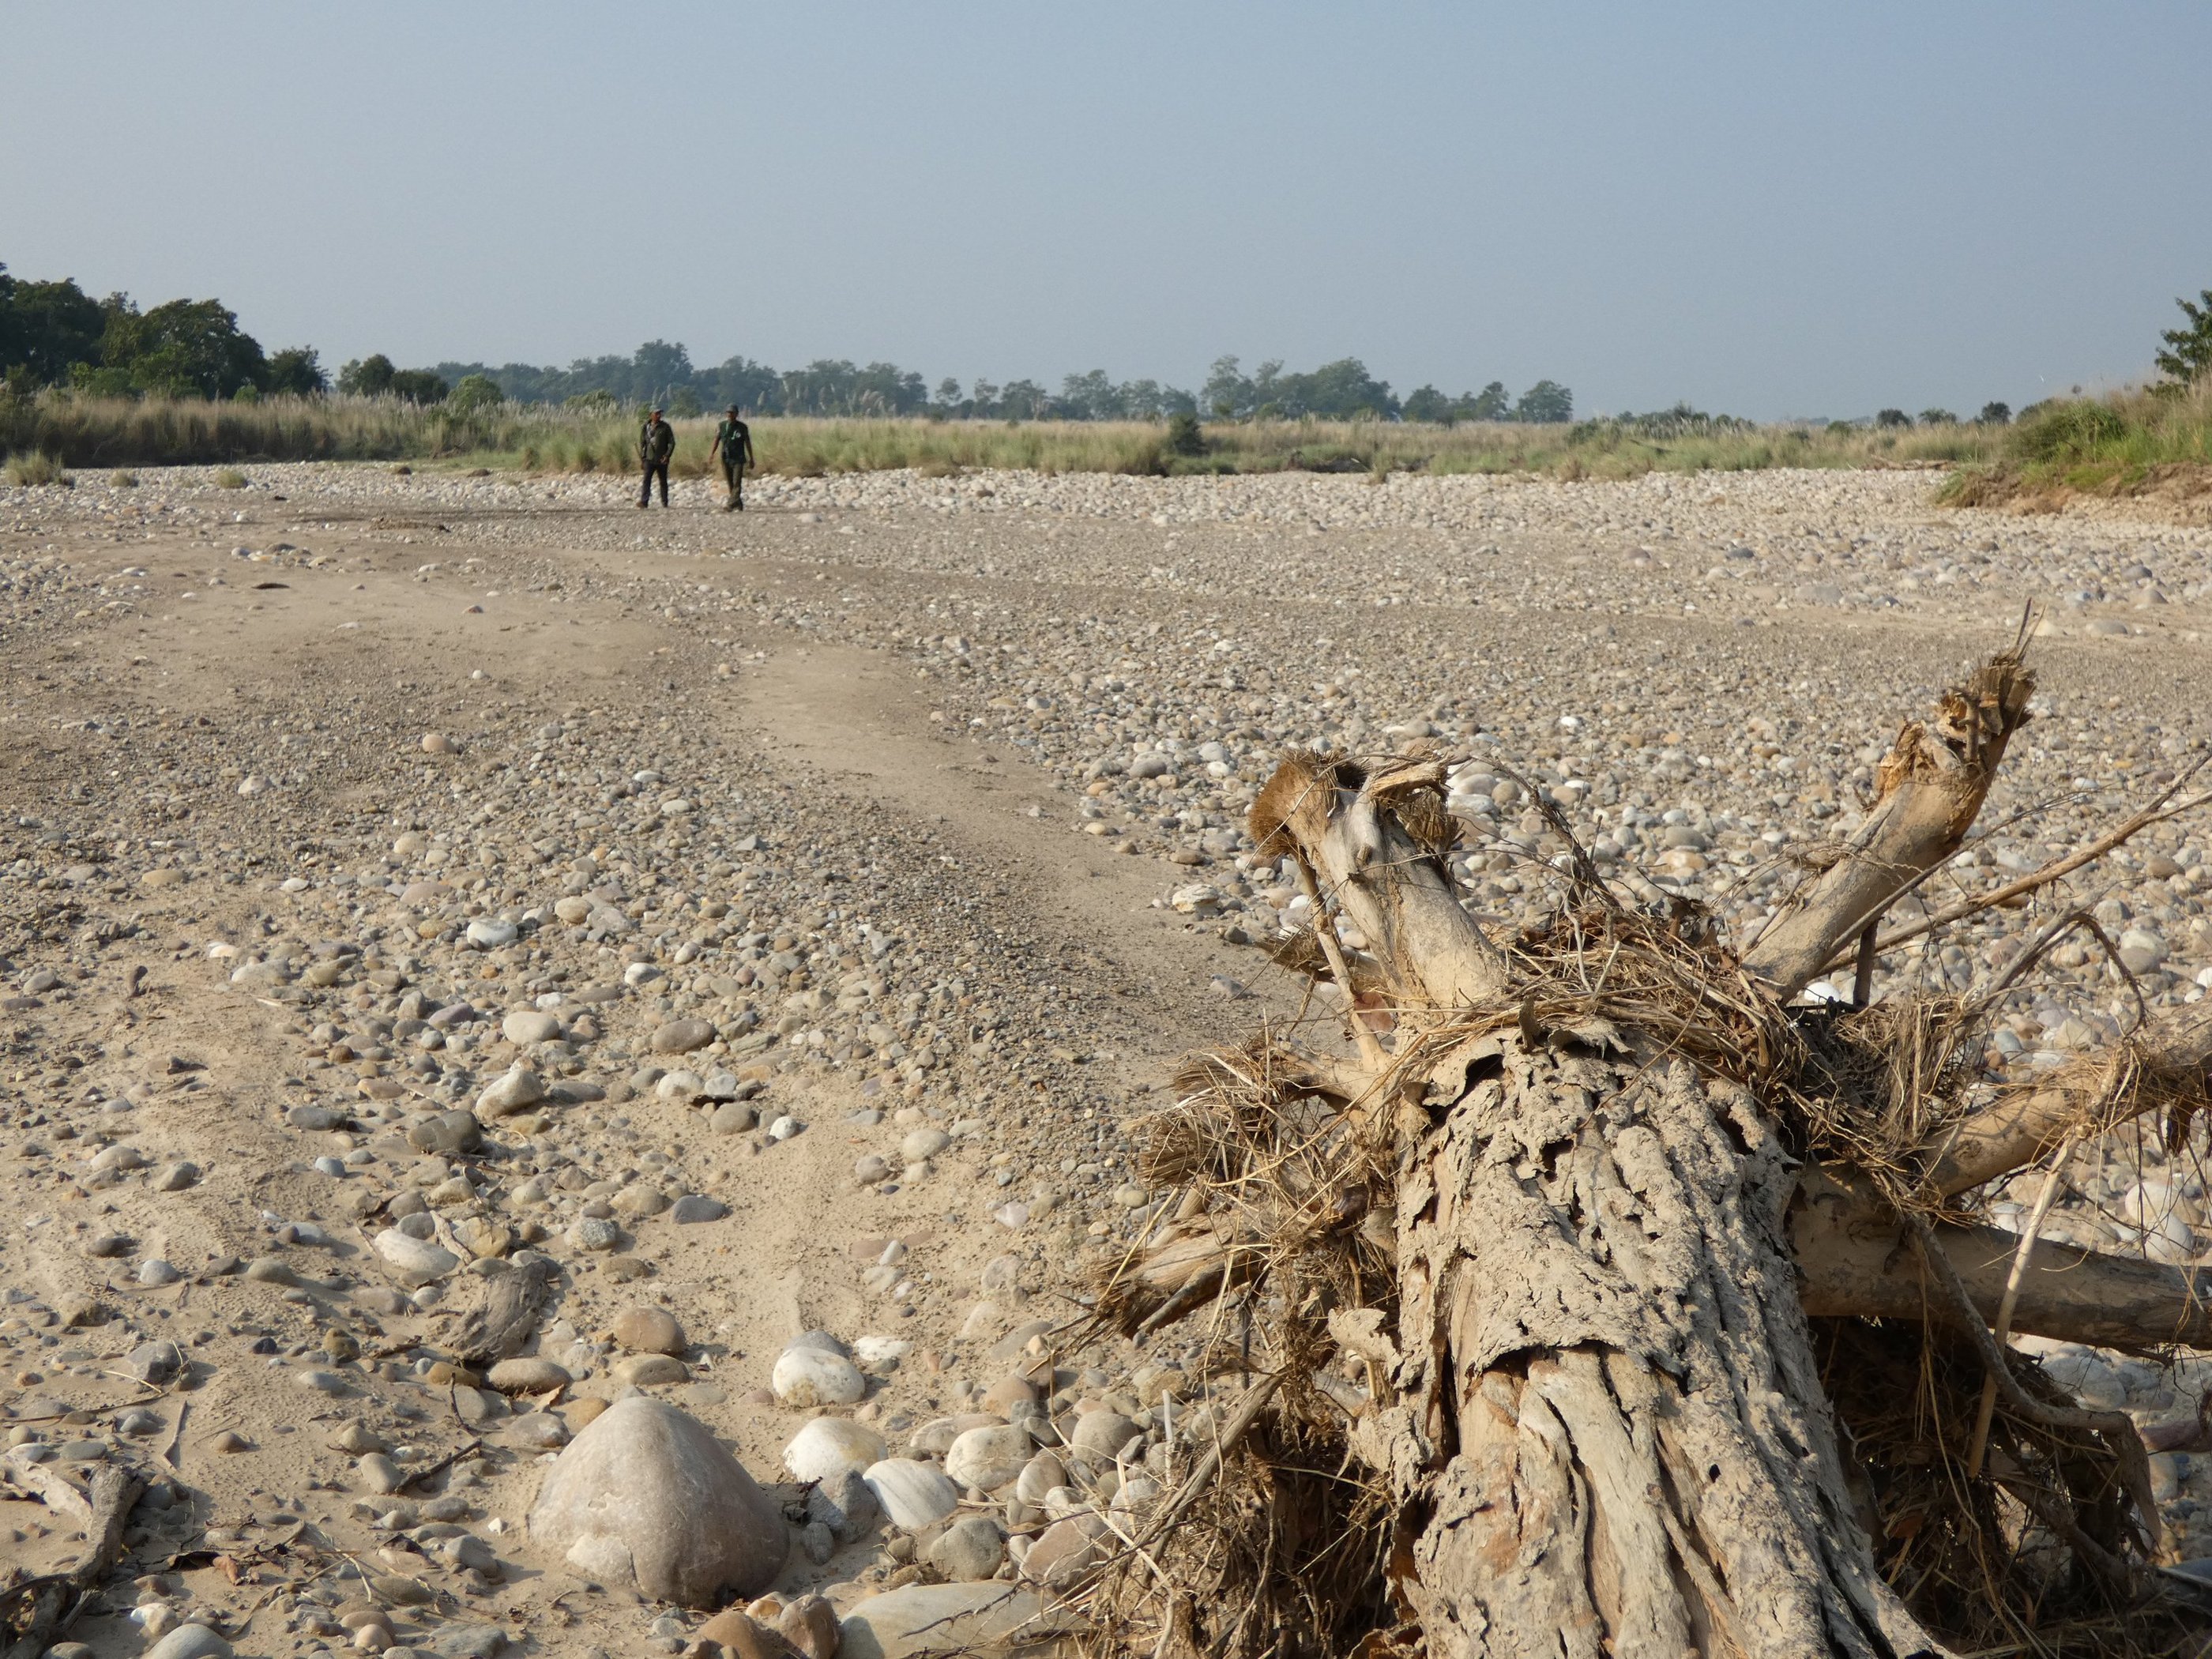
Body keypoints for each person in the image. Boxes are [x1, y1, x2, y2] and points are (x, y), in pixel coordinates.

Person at [709, 404, 755, 511]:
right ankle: (738, 504)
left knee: (737, 482)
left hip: (738, 458)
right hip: (726, 457)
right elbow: (716, 440)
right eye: (728, 413)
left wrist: (751, 458)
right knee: (730, 482)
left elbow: (747, 442)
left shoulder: (742, 427)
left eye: (732, 413)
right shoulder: (721, 426)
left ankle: (730, 505)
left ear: (736, 414)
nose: (730, 415)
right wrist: (712, 454)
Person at [637, 406, 675, 508]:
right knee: (646, 480)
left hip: (662, 459)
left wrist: (667, 455)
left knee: (663, 481)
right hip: (649, 459)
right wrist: (642, 458)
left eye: (660, 413)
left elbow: (672, 442)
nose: (659, 415)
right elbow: (642, 443)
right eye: (656, 413)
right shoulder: (646, 427)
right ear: (651, 415)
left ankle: (665, 502)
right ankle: (644, 502)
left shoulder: (665, 427)